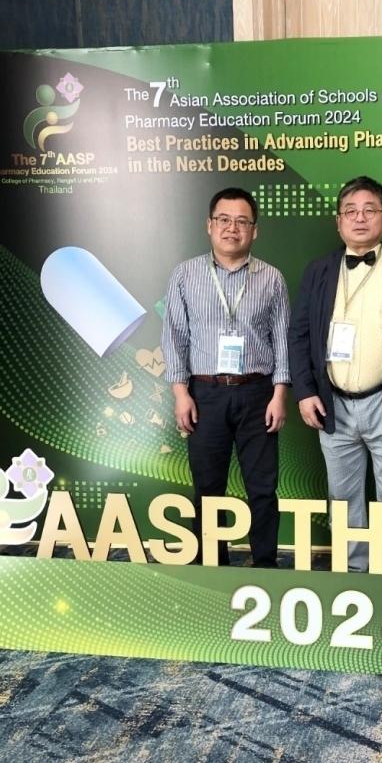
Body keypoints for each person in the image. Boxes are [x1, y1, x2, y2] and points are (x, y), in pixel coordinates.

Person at [288, 175, 382, 572]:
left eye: (369, 210)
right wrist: (305, 391)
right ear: (338, 221)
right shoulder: (319, 271)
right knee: (342, 496)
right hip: (332, 403)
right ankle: (353, 570)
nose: (359, 218)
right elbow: (298, 335)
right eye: (350, 211)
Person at [162, 187, 290, 567]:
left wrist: (279, 395)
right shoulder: (185, 275)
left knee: (263, 489)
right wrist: (181, 393)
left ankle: (266, 567)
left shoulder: (271, 278)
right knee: (208, 489)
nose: (232, 228)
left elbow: (283, 340)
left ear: (254, 230)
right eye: (224, 219)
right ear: (209, 225)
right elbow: (174, 336)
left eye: (242, 221)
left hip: (258, 394)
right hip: (204, 393)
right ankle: (212, 568)